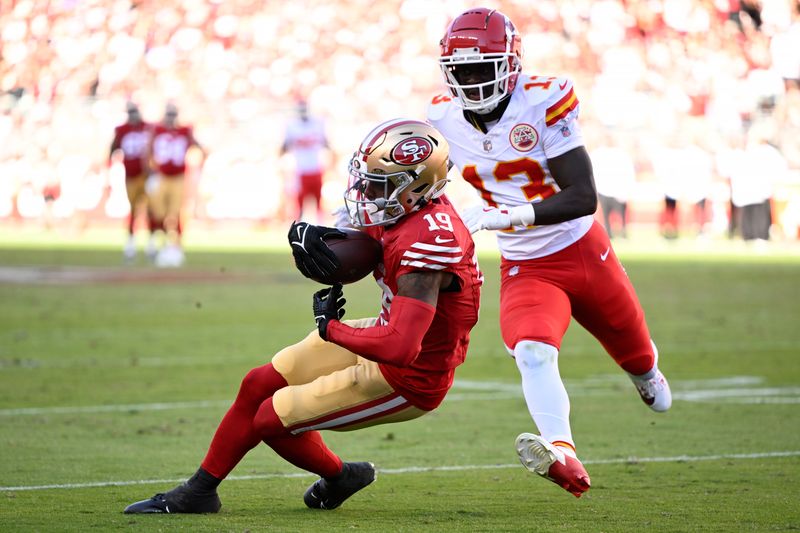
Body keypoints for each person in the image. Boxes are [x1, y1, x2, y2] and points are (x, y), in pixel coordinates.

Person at [123, 119, 482, 514]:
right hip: (386, 330)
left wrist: (332, 328)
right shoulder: (406, 208)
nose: (365, 191)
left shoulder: (429, 242)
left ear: (416, 186)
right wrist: (316, 240)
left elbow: (401, 347)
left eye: (379, 183)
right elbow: (357, 240)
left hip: (411, 373)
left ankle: (340, 474)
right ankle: (200, 489)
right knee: (257, 382)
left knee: (268, 419)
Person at [427, 7, 672, 498]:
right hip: (526, 266)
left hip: (582, 248)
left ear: (510, 63)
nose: (473, 82)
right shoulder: (440, 118)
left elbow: (582, 196)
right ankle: (563, 449)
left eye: (483, 67)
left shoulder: (544, 99)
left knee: (640, 358)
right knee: (533, 352)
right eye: (463, 71)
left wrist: (502, 217)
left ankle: (645, 376)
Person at [148, 102, 205, 267]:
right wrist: (151, 171)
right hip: (162, 176)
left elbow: (198, 147)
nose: (171, 118)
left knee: (177, 213)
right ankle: (161, 242)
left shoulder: (185, 131)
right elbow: (149, 150)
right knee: (159, 212)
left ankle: (176, 246)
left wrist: (199, 166)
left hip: (178, 177)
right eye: (169, 114)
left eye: (173, 114)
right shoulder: (157, 130)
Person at [109, 102, 155, 261]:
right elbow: (113, 148)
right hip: (130, 175)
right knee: (134, 210)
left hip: (147, 176)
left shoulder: (148, 128)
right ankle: (130, 244)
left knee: (151, 210)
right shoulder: (122, 130)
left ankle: (151, 244)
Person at [280, 100, 330, 223]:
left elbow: (327, 144)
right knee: (300, 204)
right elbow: (284, 147)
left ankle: (319, 227)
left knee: (318, 203)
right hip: (300, 170)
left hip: (315, 168)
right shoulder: (291, 125)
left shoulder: (318, 123)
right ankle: (299, 227)